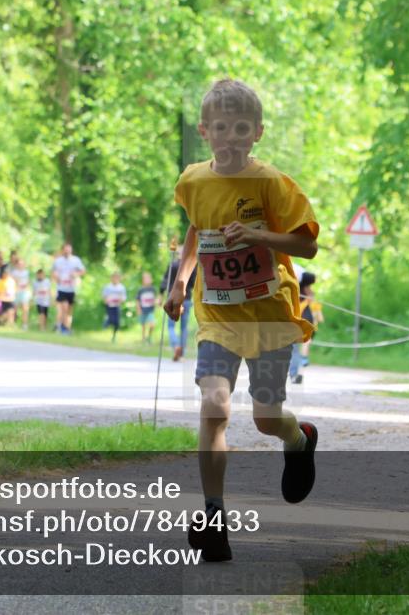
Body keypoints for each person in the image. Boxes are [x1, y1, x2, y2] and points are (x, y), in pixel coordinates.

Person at [163, 79, 320, 562]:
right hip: (216, 317)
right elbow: (196, 229)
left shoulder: (271, 183)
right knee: (214, 408)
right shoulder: (192, 180)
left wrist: (256, 234)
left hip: (270, 315)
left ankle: (299, 440)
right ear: (205, 131)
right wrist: (180, 281)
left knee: (266, 417)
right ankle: (213, 516)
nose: (230, 137)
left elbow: (306, 245)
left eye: (241, 129)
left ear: (258, 133)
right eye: (221, 128)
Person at [161, 256, 196, 361]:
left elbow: (165, 281)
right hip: (187, 298)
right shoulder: (191, 267)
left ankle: (176, 345)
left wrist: (161, 292)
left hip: (172, 297)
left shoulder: (172, 265)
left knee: (171, 326)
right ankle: (182, 354)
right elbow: (194, 284)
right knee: (183, 328)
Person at [288, 271, 320, 385]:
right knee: (293, 349)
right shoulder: (295, 292)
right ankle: (293, 373)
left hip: (302, 325)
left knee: (295, 349)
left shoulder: (304, 295)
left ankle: (294, 374)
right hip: (294, 323)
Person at [52, 242, 86, 334]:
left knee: (69, 311)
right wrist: (56, 278)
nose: (67, 251)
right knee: (64, 307)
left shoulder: (76, 260)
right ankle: (62, 327)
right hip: (62, 288)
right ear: (62, 250)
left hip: (71, 288)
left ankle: (66, 328)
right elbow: (53, 273)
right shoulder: (58, 261)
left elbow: (83, 271)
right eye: (65, 250)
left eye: (69, 250)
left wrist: (76, 274)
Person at [102, 272, 128, 342]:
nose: (115, 279)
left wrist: (121, 300)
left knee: (117, 322)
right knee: (111, 319)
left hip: (117, 306)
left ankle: (114, 335)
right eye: (114, 278)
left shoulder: (121, 287)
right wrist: (106, 301)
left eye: (117, 278)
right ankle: (107, 322)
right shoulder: (108, 287)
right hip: (109, 306)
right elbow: (104, 296)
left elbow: (124, 297)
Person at [136, 272, 158, 344]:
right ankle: (143, 338)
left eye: (149, 279)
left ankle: (149, 336)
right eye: (146, 279)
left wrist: (157, 303)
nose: (147, 280)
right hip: (143, 310)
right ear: (143, 280)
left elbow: (156, 298)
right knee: (143, 325)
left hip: (150, 310)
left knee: (152, 324)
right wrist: (138, 309)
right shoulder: (141, 290)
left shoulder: (153, 289)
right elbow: (138, 300)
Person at [11, 255, 32, 330]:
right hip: (16, 292)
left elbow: (28, 281)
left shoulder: (26, 272)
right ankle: (12, 323)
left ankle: (24, 324)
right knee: (14, 309)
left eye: (22, 264)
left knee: (25, 308)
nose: (21, 265)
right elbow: (13, 282)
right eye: (19, 264)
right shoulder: (14, 272)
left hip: (25, 292)